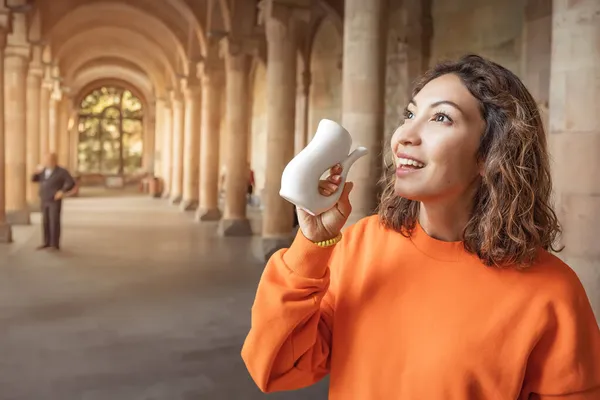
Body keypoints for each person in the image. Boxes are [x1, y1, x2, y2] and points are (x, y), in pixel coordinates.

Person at [241, 55, 600, 399]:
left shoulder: (552, 293)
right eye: (410, 114)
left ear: (491, 153)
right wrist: (311, 246)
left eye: (441, 118)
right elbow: (275, 368)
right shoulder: (359, 245)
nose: (404, 136)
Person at [32, 153, 76, 251]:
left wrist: (62, 191)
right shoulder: (42, 171)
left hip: (54, 200)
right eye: (45, 160)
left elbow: (71, 182)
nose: (46, 162)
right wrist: (35, 172)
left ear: (54, 161)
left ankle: (54, 244)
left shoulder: (62, 171)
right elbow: (34, 180)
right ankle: (46, 242)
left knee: (54, 221)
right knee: (45, 221)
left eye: (49, 160)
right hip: (44, 199)